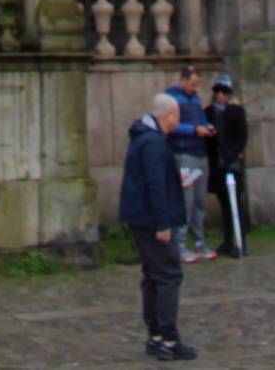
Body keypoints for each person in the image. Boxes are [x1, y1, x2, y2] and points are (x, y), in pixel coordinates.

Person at [119, 93, 196, 363]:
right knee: (168, 276)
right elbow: (153, 185)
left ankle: (155, 336)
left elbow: (153, 180)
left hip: (141, 218)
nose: (178, 122)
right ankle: (168, 338)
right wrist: (163, 224)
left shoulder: (144, 137)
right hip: (152, 221)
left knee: (153, 276)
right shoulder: (153, 142)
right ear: (170, 116)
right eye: (178, 117)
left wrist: (177, 181)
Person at [166, 64, 216, 263]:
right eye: (193, 84)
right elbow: (171, 125)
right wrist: (194, 130)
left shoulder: (195, 99)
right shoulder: (172, 99)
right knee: (185, 201)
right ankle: (179, 244)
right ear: (184, 80)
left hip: (199, 152)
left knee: (200, 201)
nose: (195, 89)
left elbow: (201, 119)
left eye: (197, 85)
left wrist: (206, 127)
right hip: (183, 153)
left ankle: (199, 240)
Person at [208, 75, 250, 257]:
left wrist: (233, 154)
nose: (220, 95)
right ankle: (227, 240)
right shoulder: (208, 112)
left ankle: (241, 242)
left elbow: (242, 136)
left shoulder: (236, 111)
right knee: (224, 204)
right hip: (217, 164)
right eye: (217, 92)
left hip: (232, 162)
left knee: (236, 204)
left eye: (223, 92)